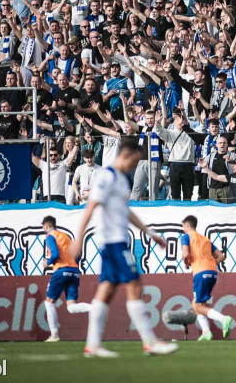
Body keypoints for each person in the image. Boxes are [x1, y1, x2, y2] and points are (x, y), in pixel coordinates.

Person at [69, 138, 177, 357]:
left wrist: (150, 234)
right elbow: (90, 208)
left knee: (106, 291)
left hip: (115, 242)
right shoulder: (107, 177)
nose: (134, 167)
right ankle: (150, 341)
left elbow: (126, 212)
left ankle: (92, 345)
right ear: (125, 155)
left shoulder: (120, 179)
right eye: (134, 163)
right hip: (113, 242)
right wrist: (78, 238)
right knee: (134, 286)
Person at [180, 214, 234, 341]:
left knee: (198, 306)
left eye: (184, 227)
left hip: (200, 272)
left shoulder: (186, 237)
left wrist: (186, 262)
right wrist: (209, 265)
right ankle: (206, 332)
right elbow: (221, 256)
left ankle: (223, 319)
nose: (183, 229)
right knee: (197, 304)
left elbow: (185, 254)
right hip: (212, 272)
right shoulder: (205, 239)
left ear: (187, 226)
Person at [42, 215, 91, 342]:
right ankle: (94, 308)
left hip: (61, 270)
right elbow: (77, 255)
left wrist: (48, 262)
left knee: (49, 302)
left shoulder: (50, 236)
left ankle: (54, 335)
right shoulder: (65, 236)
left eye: (44, 228)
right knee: (71, 307)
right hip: (74, 271)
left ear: (47, 226)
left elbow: (55, 254)